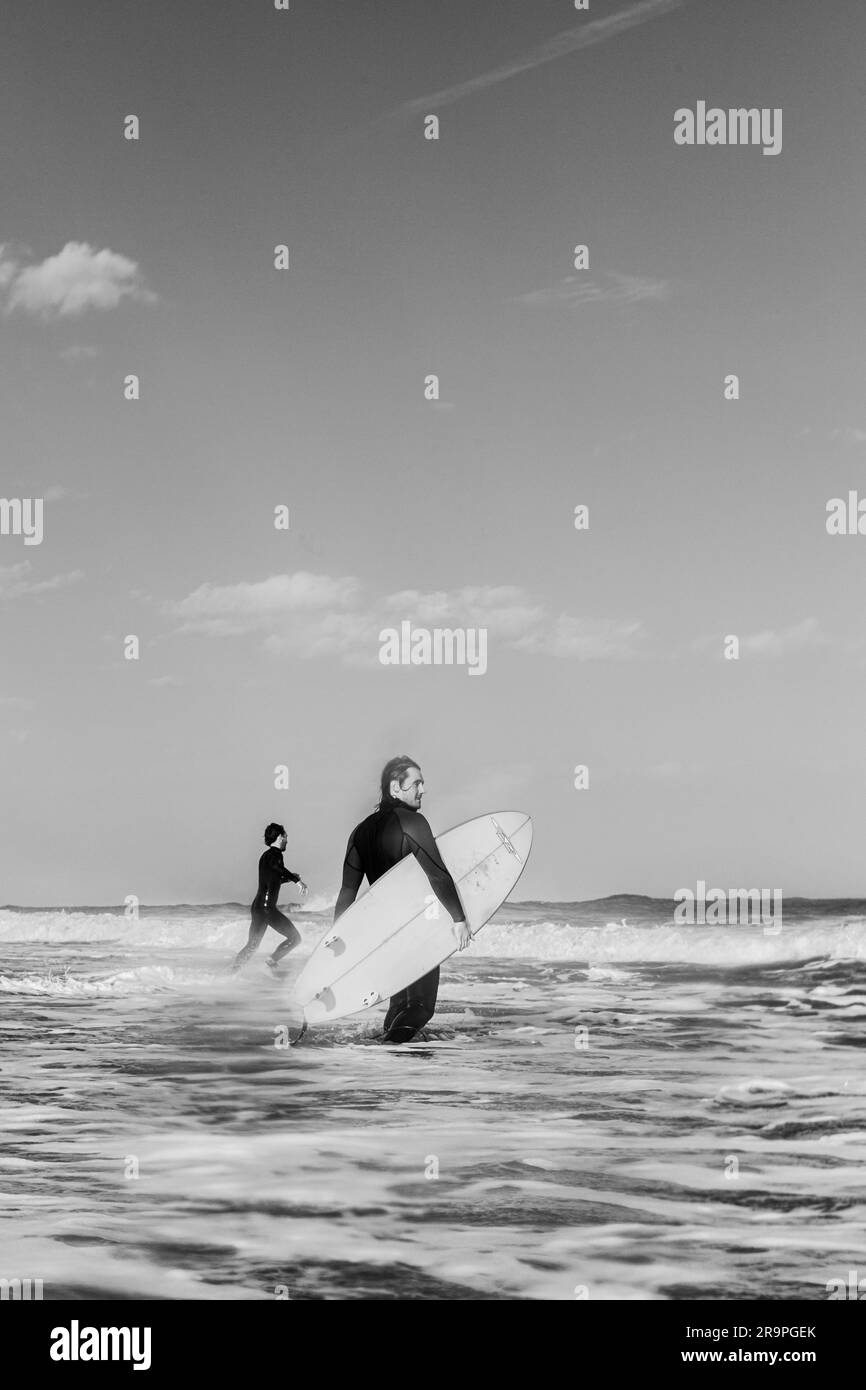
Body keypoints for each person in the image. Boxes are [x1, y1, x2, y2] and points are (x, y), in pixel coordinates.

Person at [334, 756, 471, 1043]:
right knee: (420, 1008)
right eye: (417, 783)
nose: (423, 790)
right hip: (415, 928)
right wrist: (459, 919)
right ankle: (389, 1047)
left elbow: (347, 892)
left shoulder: (360, 831)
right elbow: (437, 875)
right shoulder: (413, 822)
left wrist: (338, 936)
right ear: (395, 788)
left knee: (399, 1005)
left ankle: (393, 1068)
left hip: (384, 934)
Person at [232, 823, 308, 972]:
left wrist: (287, 879)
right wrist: (296, 880)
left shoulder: (265, 857)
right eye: (286, 837)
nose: (287, 840)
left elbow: (272, 879)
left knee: (252, 945)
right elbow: (278, 868)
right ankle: (272, 961)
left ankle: (233, 971)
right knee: (295, 938)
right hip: (267, 909)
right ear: (279, 837)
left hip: (257, 908)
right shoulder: (275, 855)